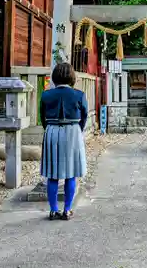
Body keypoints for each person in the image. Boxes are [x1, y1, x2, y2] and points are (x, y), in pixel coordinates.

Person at [39, 62, 88, 220]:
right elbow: (85, 115)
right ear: (72, 77)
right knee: (70, 173)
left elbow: (42, 117)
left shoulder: (46, 94)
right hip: (72, 130)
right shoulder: (79, 95)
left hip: (52, 129)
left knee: (52, 174)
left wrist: (49, 128)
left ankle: (53, 210)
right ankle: (67, 210)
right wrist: (78, 128)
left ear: (55, 77)